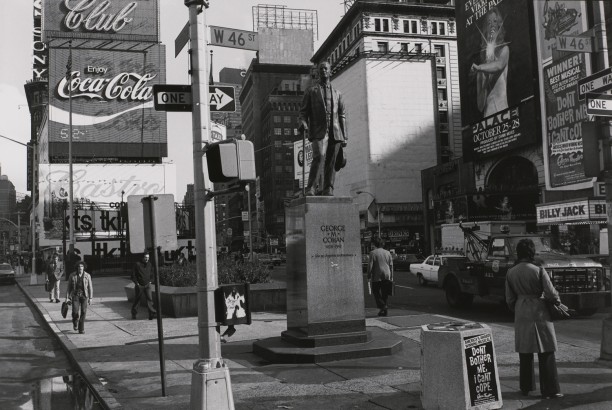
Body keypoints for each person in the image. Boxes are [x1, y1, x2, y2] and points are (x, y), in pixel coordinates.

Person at [505, 238, 563, 399]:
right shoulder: (538, 270)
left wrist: (517, 307)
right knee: (546, 351)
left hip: (521, 310)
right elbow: (551, 293)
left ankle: (526, 387)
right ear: (531, 252)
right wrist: (557, 302)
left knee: (525, 351)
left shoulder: (511, 272)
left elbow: (509, 299)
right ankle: (550, 390)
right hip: (539, 311)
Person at [298, 61, 348, 196]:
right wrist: (303, 123)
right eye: (321, 69)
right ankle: (311, 188)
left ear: (330, 71)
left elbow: (342, 115)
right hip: (319, 131)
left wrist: (345, 136)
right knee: (319, 156)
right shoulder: (311, 92)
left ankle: (328, 188)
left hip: (335, 131)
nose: (323, 71)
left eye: (326, 68)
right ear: (318, 72)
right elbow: (303, 113)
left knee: (331, 162)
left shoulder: (338, 94)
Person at [471, 6, 509, 118]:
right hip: (488, 118)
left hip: (503, 114)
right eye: (489, 23)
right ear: (485, 28)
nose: (492, 24)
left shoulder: (504, 50)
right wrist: (485, 81)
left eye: (495, 21)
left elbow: (499, 65)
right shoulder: (481, 66)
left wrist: (480, 68)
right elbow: (480, 105)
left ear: (499, 25)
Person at [367, 236, 394, 317]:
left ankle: (383, 306)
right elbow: (391, 265)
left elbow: (370, 266)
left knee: (376, 291)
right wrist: (392, 277)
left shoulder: (373, 253)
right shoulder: (388, 253)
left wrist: (368, 275)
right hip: (387, 274)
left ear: (375, 244)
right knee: (385, 293)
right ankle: (384, 311)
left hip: (377, 275)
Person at [66, 261, 93, 334]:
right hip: (75, 295)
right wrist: (67, 298)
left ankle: (81, 329)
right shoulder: (72, 275)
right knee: (75, 311)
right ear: (77, 268)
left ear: (84, 267)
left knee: (83, 311)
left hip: (84, 295)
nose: (80, 268)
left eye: (81, 266)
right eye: (79, 267)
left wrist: (90, 298)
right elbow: (69, 287)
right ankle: (75, 322)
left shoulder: (87, 275)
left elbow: (90, 287)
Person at [131, 252, 157, 320]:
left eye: (148, 258)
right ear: (142, 257)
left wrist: (151, 281)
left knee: (150, 299)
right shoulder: (137, 264)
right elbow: (133, 275)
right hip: (140, 285)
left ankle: (151, 314)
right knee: (137, 300)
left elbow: (152, 274)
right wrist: (137, 283)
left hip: (147, 285)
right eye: (145, 257)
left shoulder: (149, 264)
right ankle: (134, 313)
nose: (147, 259)